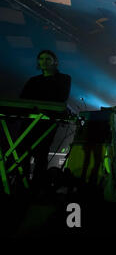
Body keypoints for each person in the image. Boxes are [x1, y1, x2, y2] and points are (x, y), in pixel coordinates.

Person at [19, 50, 71, 190]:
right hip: (30, 121)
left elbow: (61, 98)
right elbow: (23, 100)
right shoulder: (33, 80)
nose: (44, 62)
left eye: (48, 59)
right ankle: (20, 183)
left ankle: (37, 186)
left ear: (55, 62)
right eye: (41, 59)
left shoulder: (64, 78)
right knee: (23, 151)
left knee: (41, 153)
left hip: (48, 121)